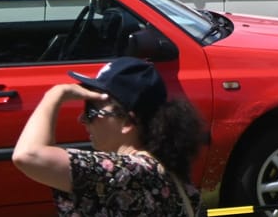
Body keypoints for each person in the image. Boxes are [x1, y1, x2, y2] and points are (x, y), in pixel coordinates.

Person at [12, 57, 206, 216]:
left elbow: (28, 155)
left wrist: (54, 94)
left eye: (91, 111)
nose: (82, 119)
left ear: (127, 123)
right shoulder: (172, 178)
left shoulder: (125, 173)